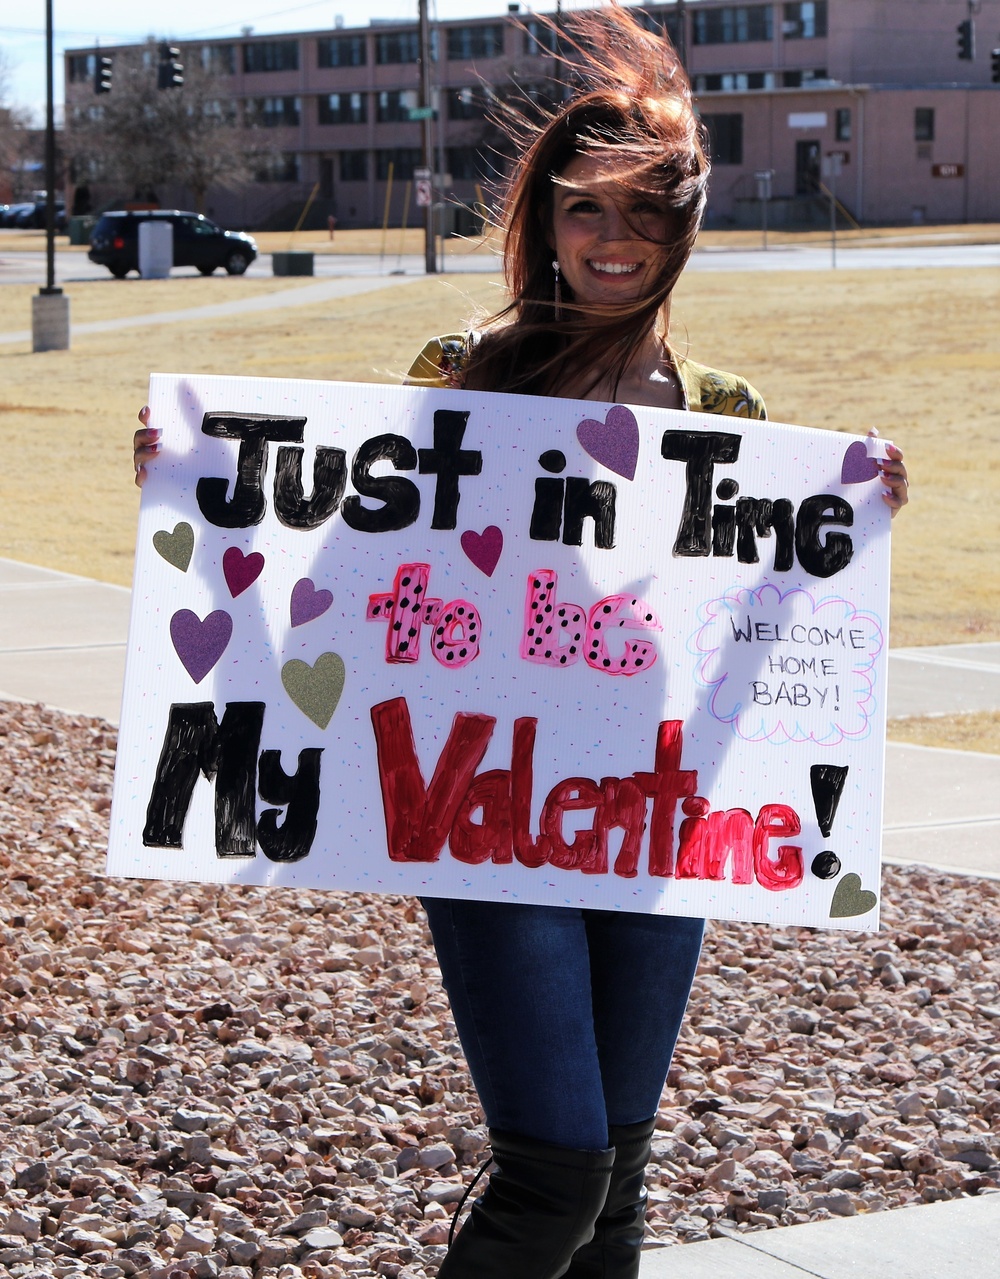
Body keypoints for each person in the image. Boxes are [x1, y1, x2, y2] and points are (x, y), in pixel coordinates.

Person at [133, 9, 908, 1276]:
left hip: (655, 822)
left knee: (619, 1193)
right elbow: (346, 572)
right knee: (555, 1178)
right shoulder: (463, 379)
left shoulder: (727, 414)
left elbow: (761, 642)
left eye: (647, 213)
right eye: (588, 211)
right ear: (545, 221)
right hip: (487, 817)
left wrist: (853, 519)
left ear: (685, 229)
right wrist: (202, 490)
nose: (617, 243)